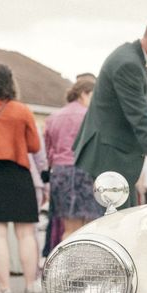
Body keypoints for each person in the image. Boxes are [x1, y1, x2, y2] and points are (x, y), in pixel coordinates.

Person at [73, 11, 147, 209]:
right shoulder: (128, 64)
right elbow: (142, 121)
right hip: (109, 163)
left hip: (114, 160)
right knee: (114, 229)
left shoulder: (132, 58)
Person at [0, 63, 41, 293]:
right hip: (18, 173)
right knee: (25, 234)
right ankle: (30, 285)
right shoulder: (22, 110)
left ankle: (3, 288)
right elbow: (34, 146)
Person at [45, 78, 99, 241]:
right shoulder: (91, 116)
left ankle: (66, 265)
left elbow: (49, 149)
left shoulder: (54, 117)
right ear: (84, 94)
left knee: (68, 229)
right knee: (91, 227)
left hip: (61, 173)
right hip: (86, 171)